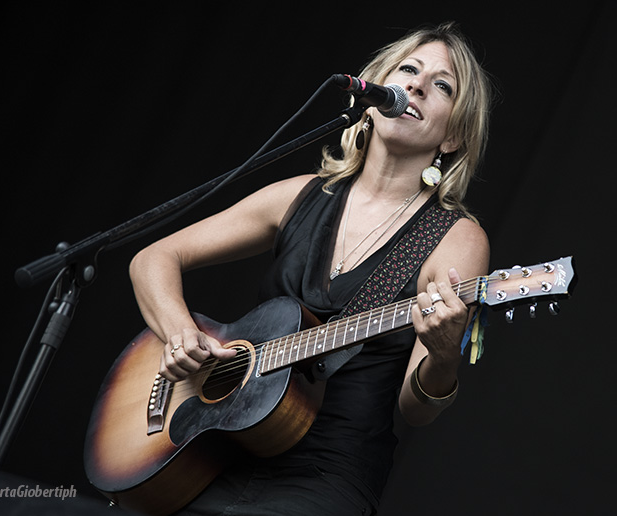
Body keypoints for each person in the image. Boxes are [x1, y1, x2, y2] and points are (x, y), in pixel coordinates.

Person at [128, 21, 491, 516]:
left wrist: (445, 357)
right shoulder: (298, 196)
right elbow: (153, 258)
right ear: (372, 96)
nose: (416, 85)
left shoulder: (454, 237)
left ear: (451, 137)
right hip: (216, 451)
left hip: (325, 475)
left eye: (442, 85)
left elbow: (415, 409)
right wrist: (179, 336)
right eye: (407, 69)